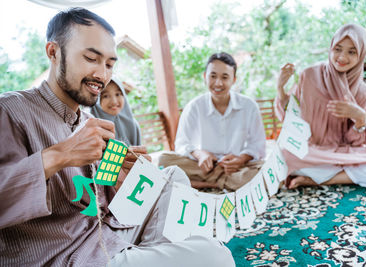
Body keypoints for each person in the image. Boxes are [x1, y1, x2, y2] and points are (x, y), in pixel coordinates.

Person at [0, 8, 235, 267]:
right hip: (68, 255)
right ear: (53, 52)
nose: (102, 75)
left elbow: (98, 201)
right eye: (91, 58)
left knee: (171, 177)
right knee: (216, 256)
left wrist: (122, 178)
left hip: (105, 233)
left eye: (110, 64)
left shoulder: (89, 122)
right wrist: (58, 155)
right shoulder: (10, 110)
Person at [275, 23, 366, 189]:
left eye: (351, 51)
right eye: (338, 49)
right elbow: (289, 118)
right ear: (331, 48)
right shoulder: (310, 75)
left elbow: (357, 144)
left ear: (361, 55)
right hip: (312, 153)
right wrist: (280, 88)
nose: (342, 57)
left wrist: (360, 118)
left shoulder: (363, 93)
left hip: (346, 155)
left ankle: (321, 180)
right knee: (285, 155)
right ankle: (336, 176)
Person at [159, 52, 266, 191]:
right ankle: (220, 184)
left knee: (266, 170)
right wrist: (200, 154)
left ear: (234, 80)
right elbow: (181, 143)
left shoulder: (249, 106)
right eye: (213, 76)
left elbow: (258, 145)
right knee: (164, 161)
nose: (218, 83)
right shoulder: (194, 107)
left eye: (225, 77)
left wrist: (241, 159)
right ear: (205, 77)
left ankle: (206, 183)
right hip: (203, 166)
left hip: (236, 168)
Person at [90, 77, 141, 146]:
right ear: (97, 99)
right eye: (105, 96)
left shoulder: (133, 124)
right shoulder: (91, 127)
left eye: (118, 94)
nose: (114, 102)